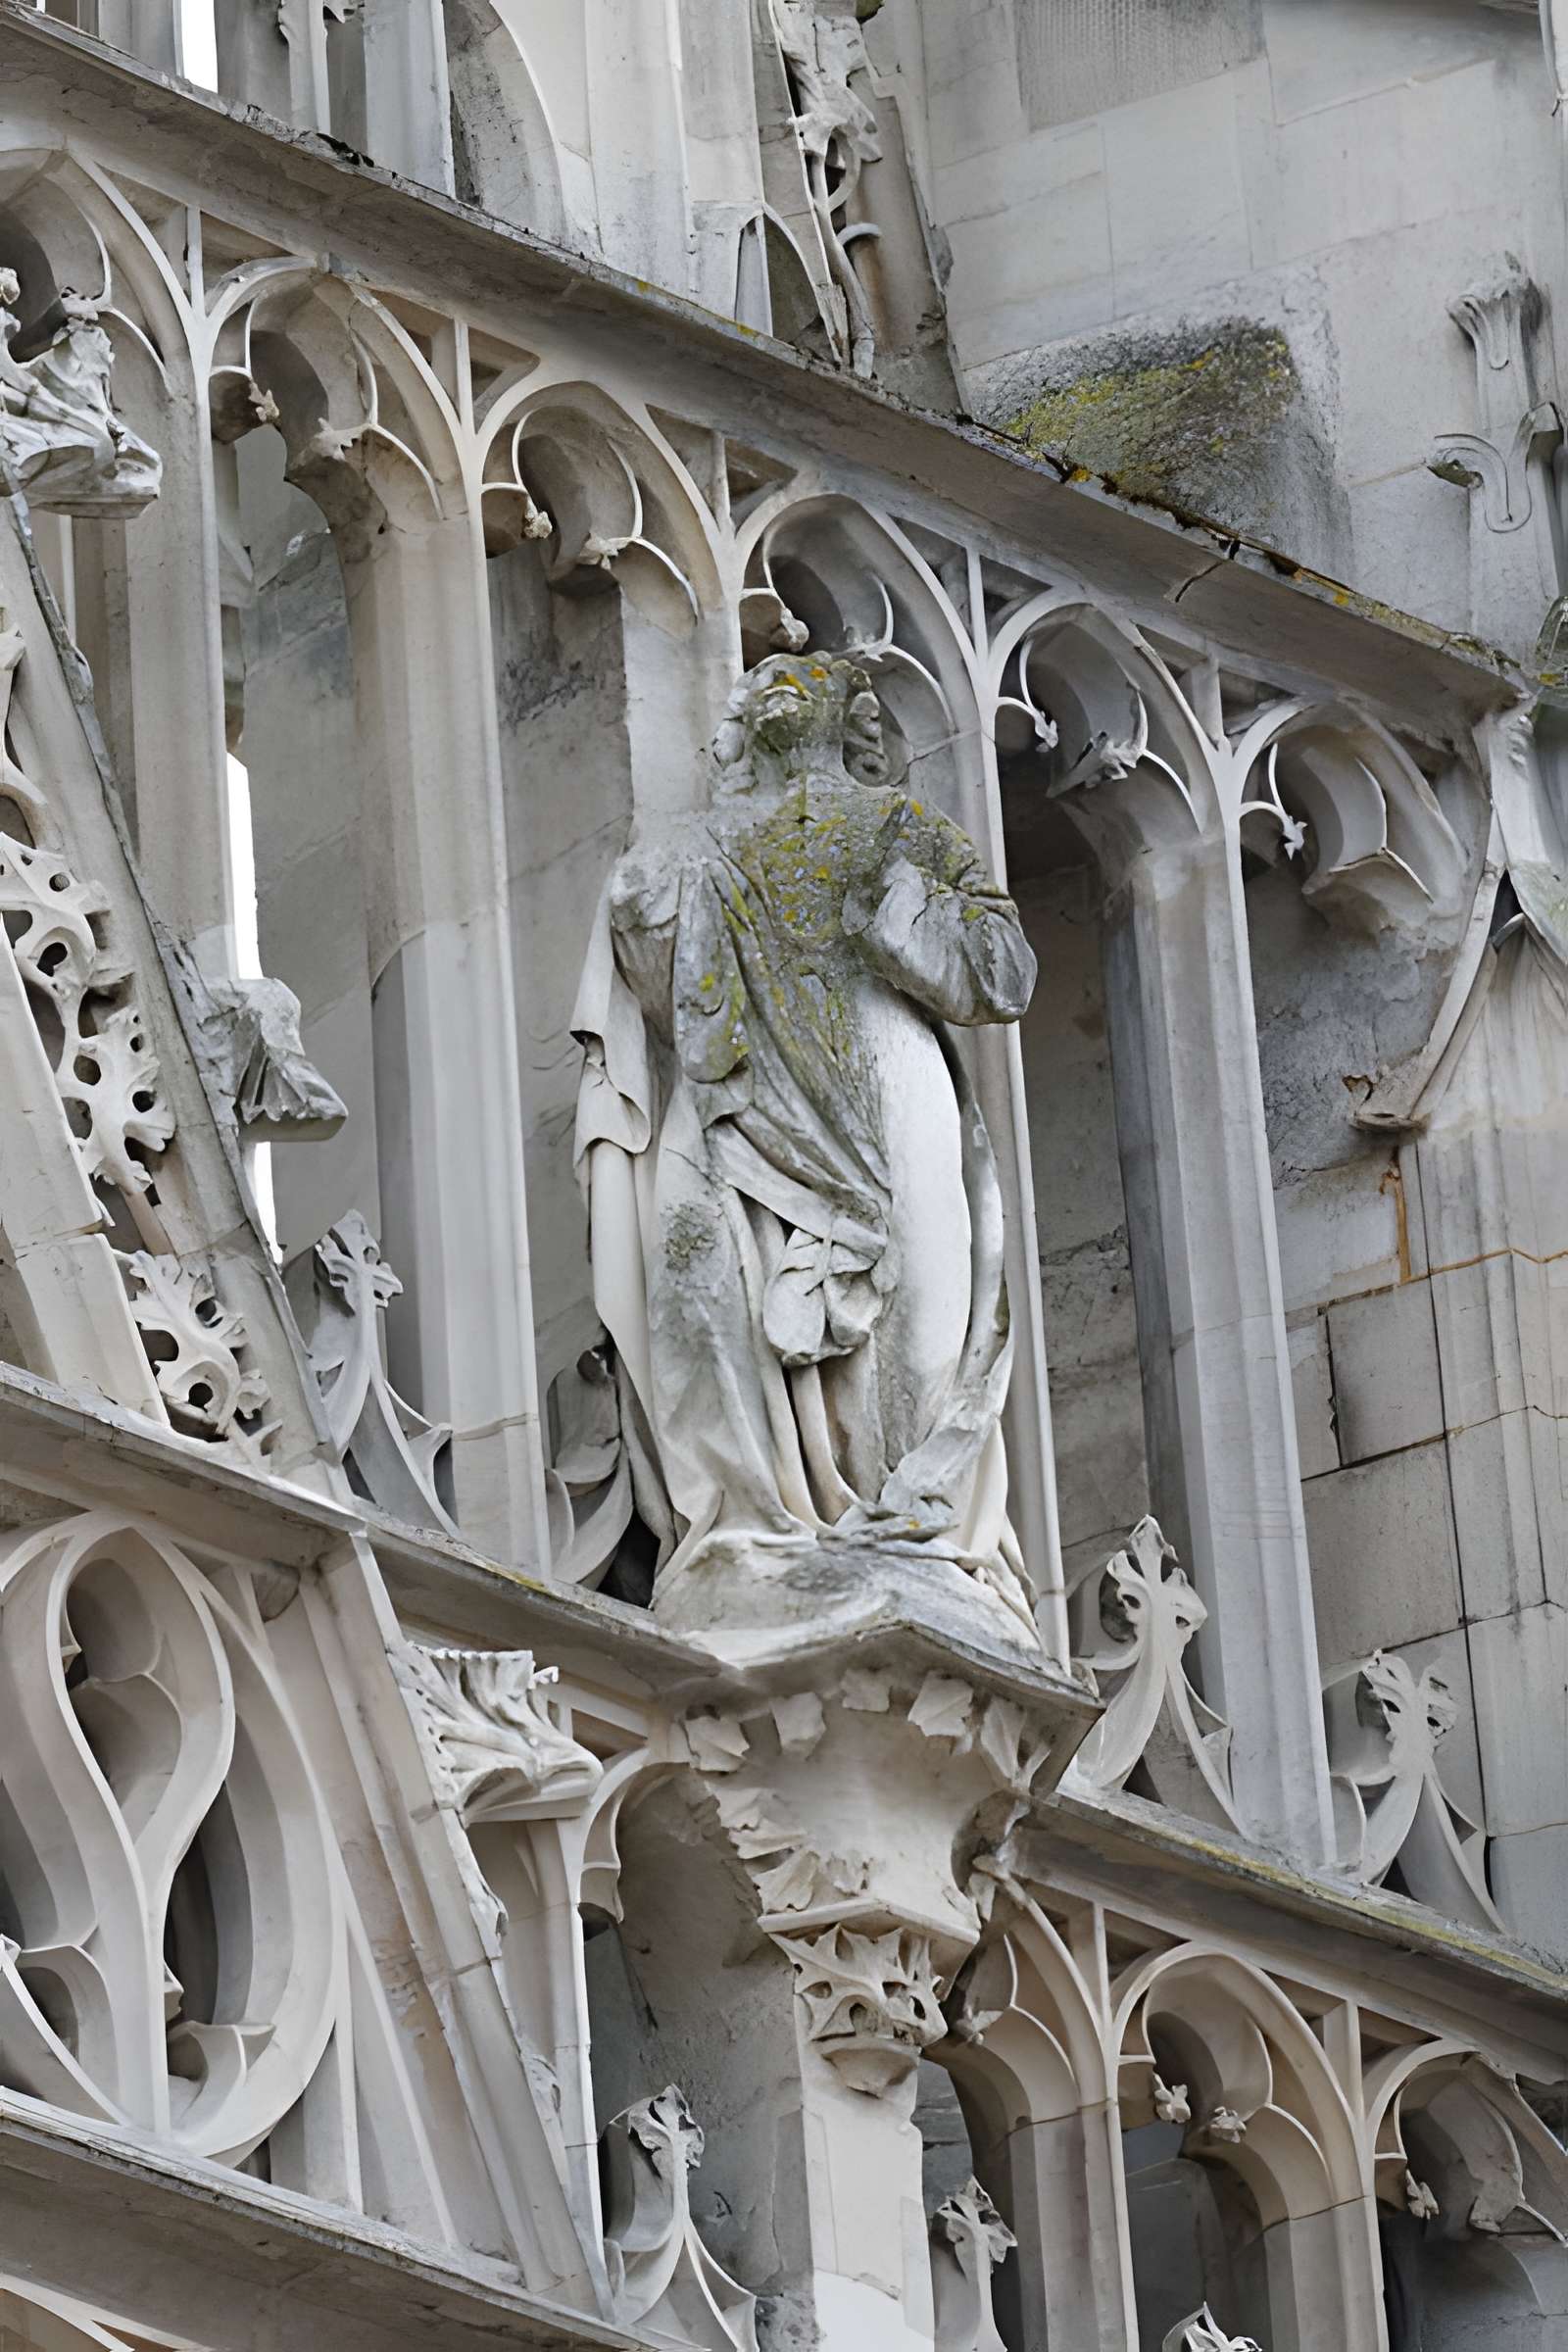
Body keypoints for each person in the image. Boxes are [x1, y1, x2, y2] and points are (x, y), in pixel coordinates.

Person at [571, 651, 1038, 1639]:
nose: (780, 680)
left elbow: (1003, 973)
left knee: (912, 1309)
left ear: (848, 715)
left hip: (882, 1084)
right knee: (702, 1286)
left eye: (805, 675)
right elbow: (649, 996)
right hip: (733, 1097)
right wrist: (648, 918)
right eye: (763, 678)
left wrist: (904, 919)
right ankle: (747, 1527)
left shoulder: (905, 826)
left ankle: (905, 1530)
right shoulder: (692, 844)